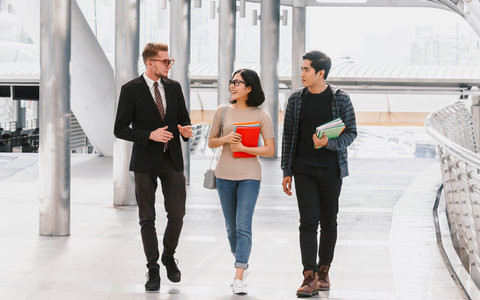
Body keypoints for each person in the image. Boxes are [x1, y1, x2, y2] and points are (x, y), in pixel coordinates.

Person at [114, 42, 193, 292]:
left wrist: (186, 131)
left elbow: (184, 120)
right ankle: (153, 268)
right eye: (165, 61)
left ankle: (168, 255)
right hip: (145, 163)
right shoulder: (131, 90)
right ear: (151, 63)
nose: (169, 65)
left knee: (177, 214)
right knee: (147, 218)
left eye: (171, 61)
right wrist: (149, 135)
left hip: (172, 161)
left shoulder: (174, 87)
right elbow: (120, 129)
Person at [281, 51, 357, 297]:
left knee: (329, 221)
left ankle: (324, 271)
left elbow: (351, 133)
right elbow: (288, 136)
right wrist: (286, 170)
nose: (301, 74)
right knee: (307, 222)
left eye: (306, 70)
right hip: (303, 170)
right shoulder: (295, 100)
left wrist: (328, 144)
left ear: (320, 73)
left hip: (331, 170)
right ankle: (309, 275)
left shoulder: (341, 99)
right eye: (301, 69)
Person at [208, 69, 275, 295]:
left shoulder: (262, 115)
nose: (233, 86)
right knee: (231, 229)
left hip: (250, 175)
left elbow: (270, 149)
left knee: (243, 225)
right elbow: (210, 142)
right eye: (232, 82)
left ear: (249, 88)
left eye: (238, 82)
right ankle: (242, 262)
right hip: (224, 175)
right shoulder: (222, 111)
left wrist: (245, 148)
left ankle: (239, 275)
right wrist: (226, 140)